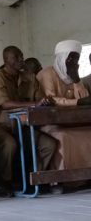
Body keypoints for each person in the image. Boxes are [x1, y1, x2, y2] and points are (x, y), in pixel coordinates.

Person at [0, 46, 56, 196]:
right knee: (9, 144)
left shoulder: (29, 77)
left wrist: (44, 102)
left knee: (49, 145)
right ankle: (5, 182)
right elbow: (4, 104)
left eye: (21, 56)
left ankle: (34, 179)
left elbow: (40, 98)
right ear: (6, 60)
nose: (21, 59)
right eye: (16, 57)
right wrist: (34, 104)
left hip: (23, 126)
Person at [37, 40, 91, 172]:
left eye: (76, 59)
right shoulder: (47, 73)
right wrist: (76, 102)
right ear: (62, 57)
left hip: (71, 121)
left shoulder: (73, 76)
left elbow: (84, 100)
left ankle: (84, 177)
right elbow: (51, 99)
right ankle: (61, 179)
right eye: (70, 58)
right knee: (64, 137)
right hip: (49, 122)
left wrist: (76, 79)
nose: (73, 62)